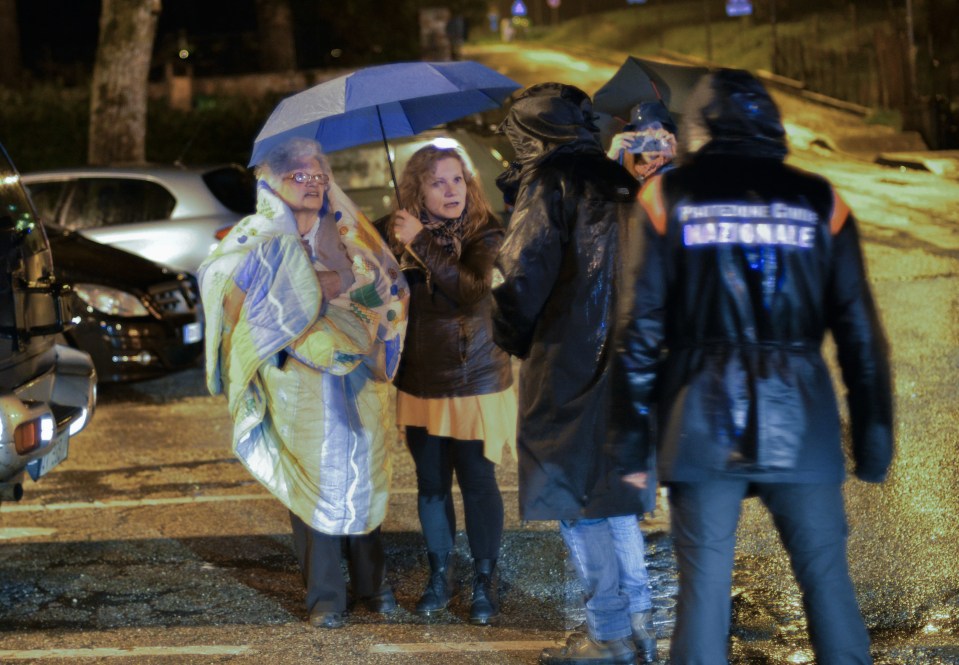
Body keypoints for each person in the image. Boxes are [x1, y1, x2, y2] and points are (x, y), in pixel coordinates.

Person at [610, 68, 894, 664]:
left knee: (704, 590)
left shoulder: (666, 198)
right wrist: (872, 436)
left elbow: (640, 332)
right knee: (826, 583)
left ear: (697, 127)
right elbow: (860, 335)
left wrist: (631, 446)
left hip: (699, 419)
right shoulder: (822, 201)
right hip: (802, 420)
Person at [198, 137, 409, 630]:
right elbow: (222, 292)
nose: (313, 184)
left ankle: (373, 584)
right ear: (271, 183)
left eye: (319, 176)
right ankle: (326, 597)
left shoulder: (350, 234)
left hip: (357, 374)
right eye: (300, 176)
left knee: (363, 472)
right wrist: (282, 286)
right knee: (314, 480)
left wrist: (346, 284)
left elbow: (386, 289)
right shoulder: (252, 237)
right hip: (297, 380)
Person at [492, 82, 657, 665]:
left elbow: (517, 276)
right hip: (628, 363)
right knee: (614, 499)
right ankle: (639, 626)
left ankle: (608, 633)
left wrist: (509, 337)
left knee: (574, 501)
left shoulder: (550, 181)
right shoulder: (619, 180)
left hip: (566, 363)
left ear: (531, 133)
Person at [384, 144, 516, 625]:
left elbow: (471, 289)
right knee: (432, 485)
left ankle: (485, 578)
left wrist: (421, 242)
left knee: (478, 481)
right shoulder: (394, 232)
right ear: (417, 189)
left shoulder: (487, 233)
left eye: (457, 179)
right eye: (438, 182)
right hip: (420, 380)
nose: (451, 190)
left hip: (476, 377)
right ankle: (441, 574)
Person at [606, 100, 678, 185]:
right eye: (644, 135)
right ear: (634, 137)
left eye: (656, 133)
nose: (650, 141)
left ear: (667, 135)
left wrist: (678, 159)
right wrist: (608, 162)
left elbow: (686, 193)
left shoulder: (676, 167)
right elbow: (607, 192)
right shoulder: (620, 162)